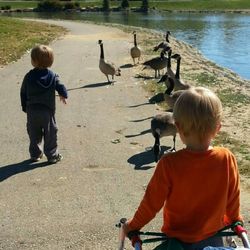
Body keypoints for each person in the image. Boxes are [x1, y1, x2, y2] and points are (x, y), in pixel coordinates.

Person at [123, 87, 243, 250]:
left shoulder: (169, 164)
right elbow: (233, 197)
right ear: (217, 129)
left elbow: (151, 204)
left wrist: (133, 225)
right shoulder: (227, 158)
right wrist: (235, 219)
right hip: (213, 239)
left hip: (177, 243)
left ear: (178, 128)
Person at [20, 44, 68, 164]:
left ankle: (35, 154)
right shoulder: (53, 76)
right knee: (50, 133)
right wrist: (63, 94)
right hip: (47, 111)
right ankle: (52, 155)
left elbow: (23, 92)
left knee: (33, 133)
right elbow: (60, 85)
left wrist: (24, 106)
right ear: (50, 61)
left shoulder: (29, 76)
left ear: (34, 61)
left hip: (32, 110)